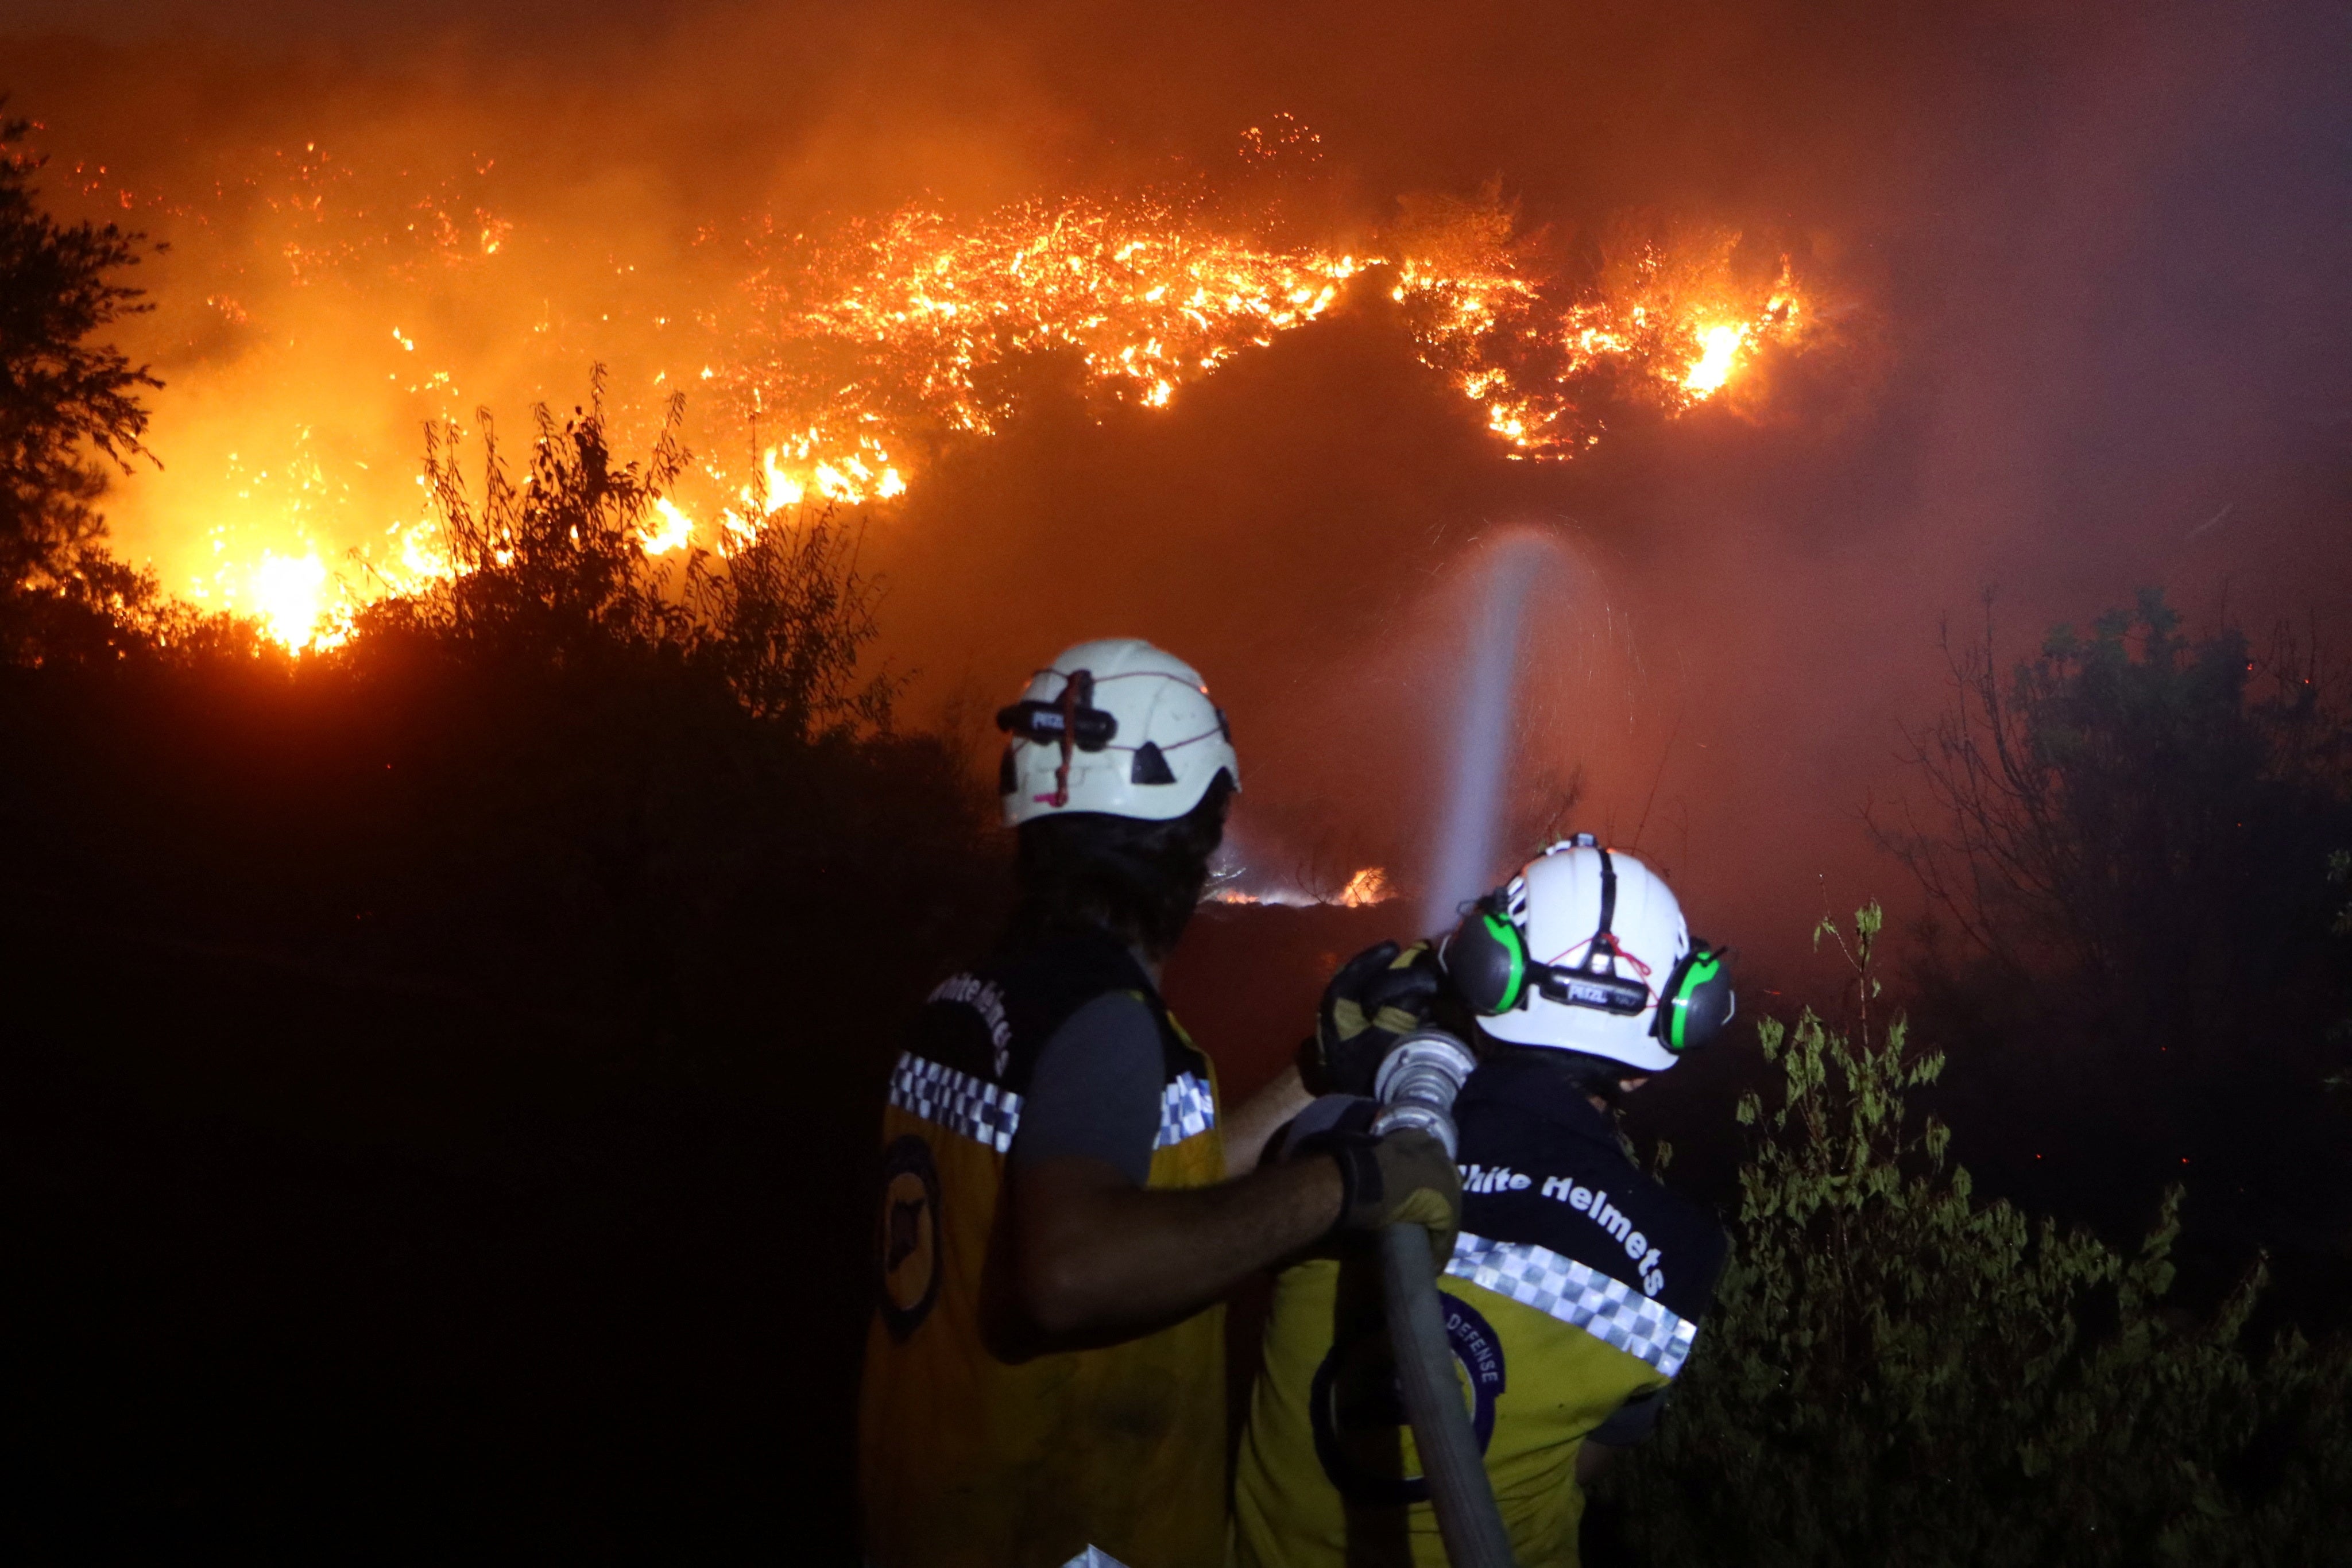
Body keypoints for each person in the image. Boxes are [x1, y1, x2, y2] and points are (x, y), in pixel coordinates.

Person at [857, 638, 1461, 1568]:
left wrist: (1322, 1067)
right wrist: (1354, 1183)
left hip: (939, 1514)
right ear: (1198, 828)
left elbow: (1149, 1195)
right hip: (1071, 1533)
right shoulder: (1101, 1020)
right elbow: (1079, 1267)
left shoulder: (982, 999)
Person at [1232, 835, 1736, 1568]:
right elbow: (1580, 1466)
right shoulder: (1681, 1258)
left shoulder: (1334, 1139)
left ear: (1483, 976)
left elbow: (1178, 1197)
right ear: (1669, 1036)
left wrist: (1326, 1070)